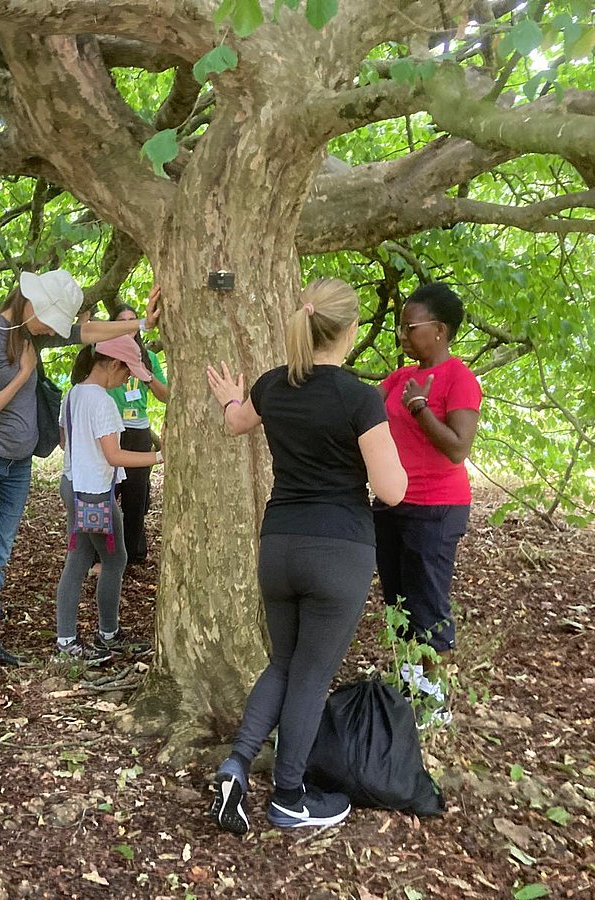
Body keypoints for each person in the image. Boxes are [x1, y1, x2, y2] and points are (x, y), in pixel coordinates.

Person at [205, 278, 407, 833]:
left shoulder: (273, 386)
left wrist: (228, 395)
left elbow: (234, 423)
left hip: (279, 545)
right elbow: (392, 490)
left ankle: (238, 763)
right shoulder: (359, 398)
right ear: (349, 330)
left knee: (284, 662)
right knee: (312, 674)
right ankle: (289, 797)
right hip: (337, 550)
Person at [0, 271, 159, 685]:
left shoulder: (30, 336)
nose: (51, 331)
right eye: (49, 321)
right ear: (31, 306)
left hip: (18, 463)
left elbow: (88, 330)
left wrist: (142, 324)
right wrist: (24, 376)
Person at [373, 283, 482, 717]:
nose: (401, 334)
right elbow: (365, 410)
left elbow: (458, 448)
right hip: (392, 503)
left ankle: (433, 701)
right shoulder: (399, 378)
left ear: (438, 329)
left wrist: (421, 409)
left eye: (409, 326)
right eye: (400, 326)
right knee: (397, 598)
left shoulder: (459, 379)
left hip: (436, 507)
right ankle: (407, 686)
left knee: (427, 601)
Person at [55, 336, 164, 662]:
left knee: (93, 560)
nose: (127, 380)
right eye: (127, 372)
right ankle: (88, 639)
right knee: (99, 561)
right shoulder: (102, 401)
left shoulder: (74, 393)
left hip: (75, 486)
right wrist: (160, 457)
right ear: (113, 364)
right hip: (94, 496)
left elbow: (68, 441)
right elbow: (114, 455)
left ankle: (85, 637)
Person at [106, 297, 169, 567]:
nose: (126, 327)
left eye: (132, 322)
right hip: (110, 430)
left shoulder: (149, 357)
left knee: (136, 496)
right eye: (120, 322)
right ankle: (103, 553)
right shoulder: (104, 353)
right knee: (108, 493)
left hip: (138, 432)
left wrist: (145, 374)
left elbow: (166, 396)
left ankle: (133, 553)